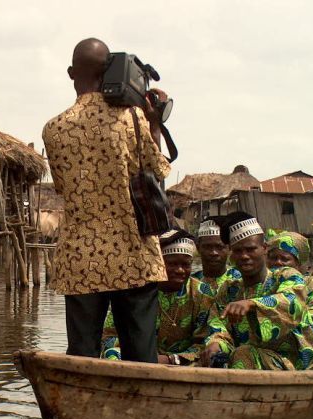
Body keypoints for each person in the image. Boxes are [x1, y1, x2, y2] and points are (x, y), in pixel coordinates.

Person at [42, 38, 171, 362]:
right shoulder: (131, 118)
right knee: (141, 354)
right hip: (133, 254)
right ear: (109, 71)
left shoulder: (53, 129)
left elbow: (62, 187)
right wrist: (154, 122)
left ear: (72, 73)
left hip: (80, 258)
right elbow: (157, 171)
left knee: (82, 356)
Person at [201, 212, 313, 371]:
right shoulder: (230, 289)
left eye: (250, 249)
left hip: (291, 365)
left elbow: (292, 302)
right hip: (245, 365)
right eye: (238, 251)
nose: (244, 256)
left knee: (243, 353)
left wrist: (252, 304)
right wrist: (216, 344)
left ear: (264, 249)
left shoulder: (286, 276)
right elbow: (218, 323)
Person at [102, 230, 215, 365]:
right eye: (172, 264)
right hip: (139, 360)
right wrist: (145, 354)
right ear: (159, 265)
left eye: (185, 265)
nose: (180, 270)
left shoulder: (202, 293)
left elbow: (205, 341)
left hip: (183, 362)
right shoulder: (137, 291)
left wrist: (171, 359)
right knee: (113, 354)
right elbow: (109, 335)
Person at [191, 217, 241, 295]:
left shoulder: (241, 281)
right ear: (198, 248)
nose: (214, 253)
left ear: (229, 248)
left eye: (220, 247)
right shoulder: (189, 285)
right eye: (207, 247)